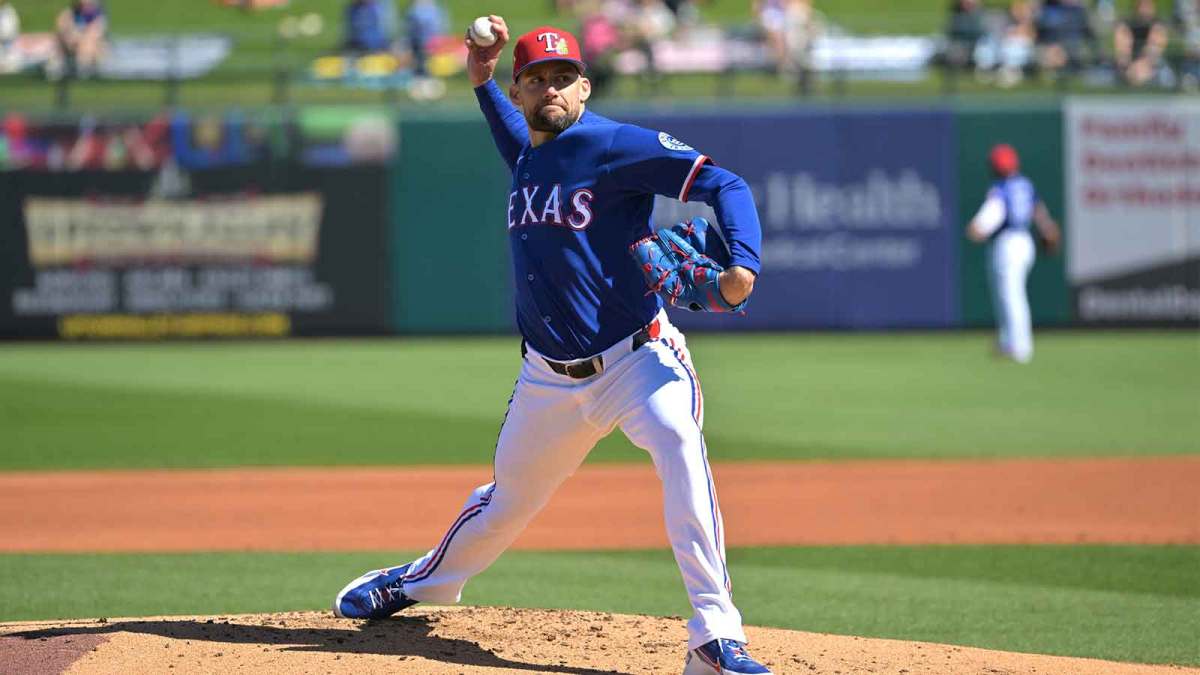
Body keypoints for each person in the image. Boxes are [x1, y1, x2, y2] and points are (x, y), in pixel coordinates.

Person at [331, 15, 771, 675]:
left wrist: (743, 266)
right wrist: (481, 78)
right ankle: (419, 581)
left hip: (639, 359)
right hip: (548, 378)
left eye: (564, 77)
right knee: (507, 501)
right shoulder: (528, 151)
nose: (552, 90)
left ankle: (713, 634)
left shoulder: (615, 145)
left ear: (585, 87)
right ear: (522, 94)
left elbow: (724, 184)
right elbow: (512, 130)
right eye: (537, 80)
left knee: (681, 445)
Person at [966, 144, 1060, 364]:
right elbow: (1040, 213)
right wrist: (1048, 230)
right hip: (1025, 242)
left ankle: (1020, 346)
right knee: (1009, 295)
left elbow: (991, 216)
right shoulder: (1026, 185)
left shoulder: (1001, 188)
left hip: (1007, 243)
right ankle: (1008, 341)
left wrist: (978, 227)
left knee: (1011, 296)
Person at [1114, 0, 1170, 86]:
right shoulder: (1127, 24)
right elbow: (1122, 50)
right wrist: (1129, 65)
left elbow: (1156, 49)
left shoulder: (1158, 25)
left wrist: (1144, 64)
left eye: (1148, 6)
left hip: (1150, 65)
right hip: (1130, 65)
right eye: (1143, 5)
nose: (1145, 9)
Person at [51, 0, 107, 79]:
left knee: (89, 44)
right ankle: (57, 69)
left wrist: (79, 37)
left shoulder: (97, 16)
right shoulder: (70, 13)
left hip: (90, 48)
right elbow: (61, 26)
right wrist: (69, 35)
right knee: (58, 41)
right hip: (71, 44)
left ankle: (83, 71)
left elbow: (95, 32)